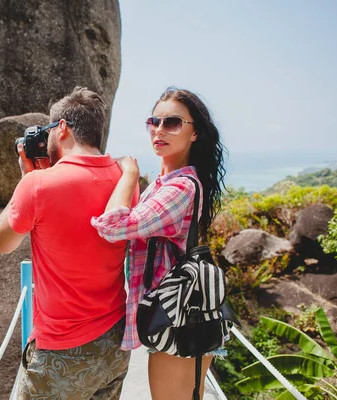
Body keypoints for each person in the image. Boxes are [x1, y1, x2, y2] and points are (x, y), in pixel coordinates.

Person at [0, 87, 138, 399]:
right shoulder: (124, 179)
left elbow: (2, 241)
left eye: (48, 132)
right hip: (114, 342)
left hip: (61, 352)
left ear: (62, 128)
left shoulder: (37, 185)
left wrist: (27, 179)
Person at [91, 87, 227, 399]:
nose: (160, 130)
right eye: (155, 121)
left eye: (173, 123)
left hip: (179, 319)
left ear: (195, 134)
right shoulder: (164, 183)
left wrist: (129, 174)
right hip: (179, 314)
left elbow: (112, 227)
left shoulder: (180, 188)